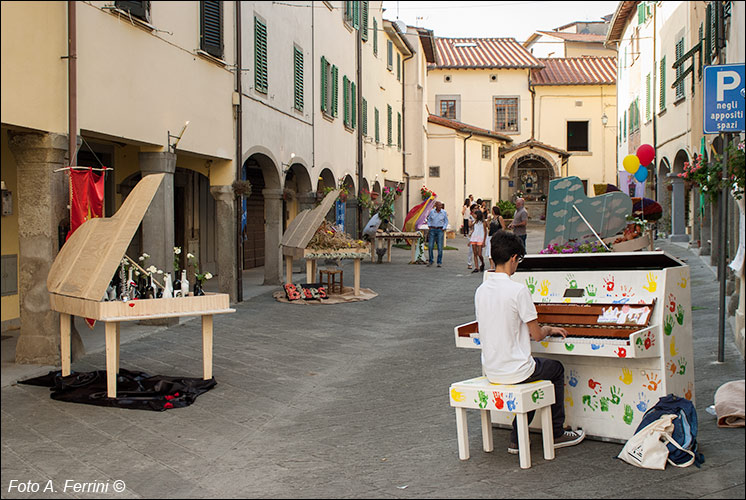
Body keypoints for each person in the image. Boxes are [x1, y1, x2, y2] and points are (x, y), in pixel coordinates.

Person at [475, 231, 585, 454]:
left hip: (492, 369)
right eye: (519, 260)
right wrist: (550, 328)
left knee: (531, 373)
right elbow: (536, 334)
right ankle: (556, 433)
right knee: (554, 369)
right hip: (516, 370)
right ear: (514, 258)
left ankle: (518, 437)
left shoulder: (481, 290)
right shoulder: (518, 290)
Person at [426, 201, 448, 267]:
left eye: (441, 206)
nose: (440, 207)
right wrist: (429, 225)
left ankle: (439, 261)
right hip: (432, 229)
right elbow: (429, 219)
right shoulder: (432, 211)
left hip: (440, 230)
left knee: (440, 246)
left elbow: (446, 221)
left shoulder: (444, 212)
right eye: (438, 205)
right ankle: (431, 260)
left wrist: (444, 228)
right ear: (435, 206)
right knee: (430, 246)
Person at [469, 209, 487, 273]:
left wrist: (484, 241)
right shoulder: (475, 222)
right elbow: (471, 228)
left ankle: (482, 263)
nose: (474, 215)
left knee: (479, 254)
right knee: (475, 253)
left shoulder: (483, 222)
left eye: (475, 214)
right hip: (474, 237)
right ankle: (476, 267)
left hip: (480, 238)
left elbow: (485, 232)